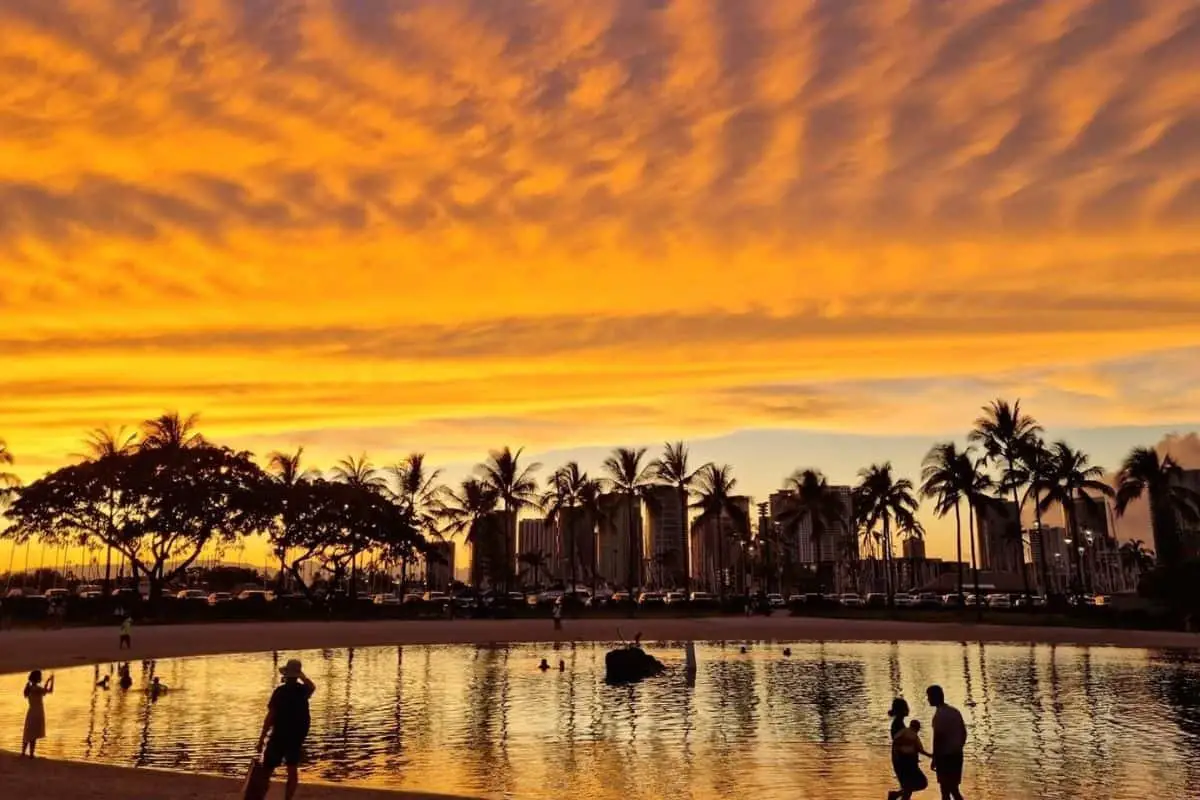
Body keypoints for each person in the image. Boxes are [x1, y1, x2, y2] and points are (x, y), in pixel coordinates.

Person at [258, 658, 316, 800]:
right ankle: (287, 798)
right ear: (297, 676)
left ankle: (260, 796)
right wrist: (302, 676)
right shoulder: (303, 690)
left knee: (267, 770)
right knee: (291, 768)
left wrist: (261, 738)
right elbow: (312, 686)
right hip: (295, 737)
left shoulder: (280, 692)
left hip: (280, 735)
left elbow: (271, 716)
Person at [927, 685, 968, 800]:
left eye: (929, 696)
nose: (928, 699)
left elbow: (938, 739)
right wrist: (958, 747)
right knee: (954, 788)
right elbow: (964, 733)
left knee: (946, 791)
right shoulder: (955, 712)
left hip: (945, 757)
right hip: (957, 755)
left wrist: (935, 758)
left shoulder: (938, 716)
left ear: (934, 697)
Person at [889, 716, 933, 800]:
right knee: (922, 783)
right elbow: (919, 749)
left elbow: (896, 745)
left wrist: (930, 755)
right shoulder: (912, 734)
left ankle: (895, 794)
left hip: (902, 764)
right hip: (908, 764)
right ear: (917, 728)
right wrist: (930, 756)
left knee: (908, 787)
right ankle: (895, 794)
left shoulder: (903, 732)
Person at [21, 670, 54, 758]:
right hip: (37, 713)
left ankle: (23, 753)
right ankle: (31, 754)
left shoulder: (30, 688)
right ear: (37, 678)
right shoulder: (37, 689)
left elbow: (43, 692)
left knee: (27, 733)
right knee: (33, 734)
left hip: (31, 712)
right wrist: (52, 681)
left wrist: (47, 682)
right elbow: (50, 691)